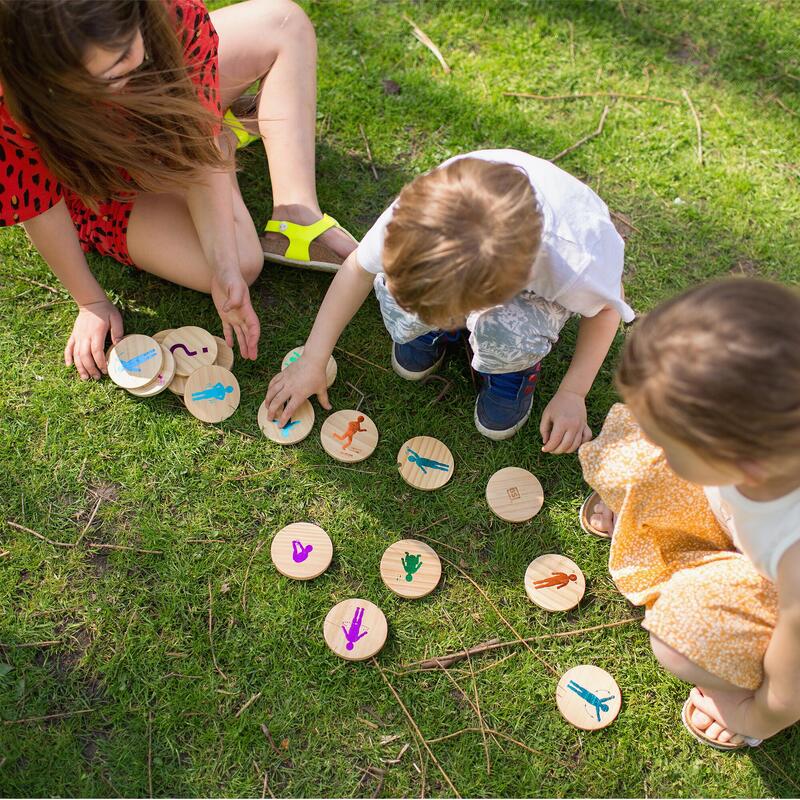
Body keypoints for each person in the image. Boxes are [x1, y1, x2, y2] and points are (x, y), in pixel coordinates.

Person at [0, 0, 355, 381]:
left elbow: (194, 140)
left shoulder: (170, 15)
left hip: (172, 117)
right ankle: (222, 140)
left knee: (285, 24)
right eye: (100, 78)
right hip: (97, 182)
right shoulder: (12, 99)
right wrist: (90, 301)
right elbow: (39, 204)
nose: (123, 77)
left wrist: (223, 269)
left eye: (126, 52)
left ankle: (295, 211)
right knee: (244, 262)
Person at [264, 150, 632, 444]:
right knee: (392, 288)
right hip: (492, 255)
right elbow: (357, 269)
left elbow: (604, 312)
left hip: (535, 275)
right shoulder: (416, 217)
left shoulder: (575, 262)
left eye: (450, 314)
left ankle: (511, 370)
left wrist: (572, 393)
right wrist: (314, 358)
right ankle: (435, 334)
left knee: (505, 329)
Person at [579, 278, 800, 748]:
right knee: (626, 453)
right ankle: (670, 526)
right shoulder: (769, 424)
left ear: (744, 466)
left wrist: (759, 714)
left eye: (667, 439)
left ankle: (741, 682)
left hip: (781, 595)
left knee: (681, 638)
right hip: (739, 518)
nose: (651, 437)